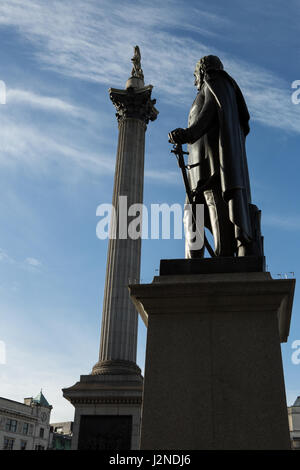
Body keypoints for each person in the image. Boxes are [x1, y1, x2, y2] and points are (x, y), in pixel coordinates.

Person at [169, 55, 263, 258]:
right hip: (196, 164)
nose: (195, 80)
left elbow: (209, 112)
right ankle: (193, 259)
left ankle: (224, 254)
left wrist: (187, 134)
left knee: (214, 202)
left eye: (195, 75)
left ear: (201, 71)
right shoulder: (206, 88)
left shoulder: (215, 81)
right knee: (191, 210)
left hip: (212, 161)